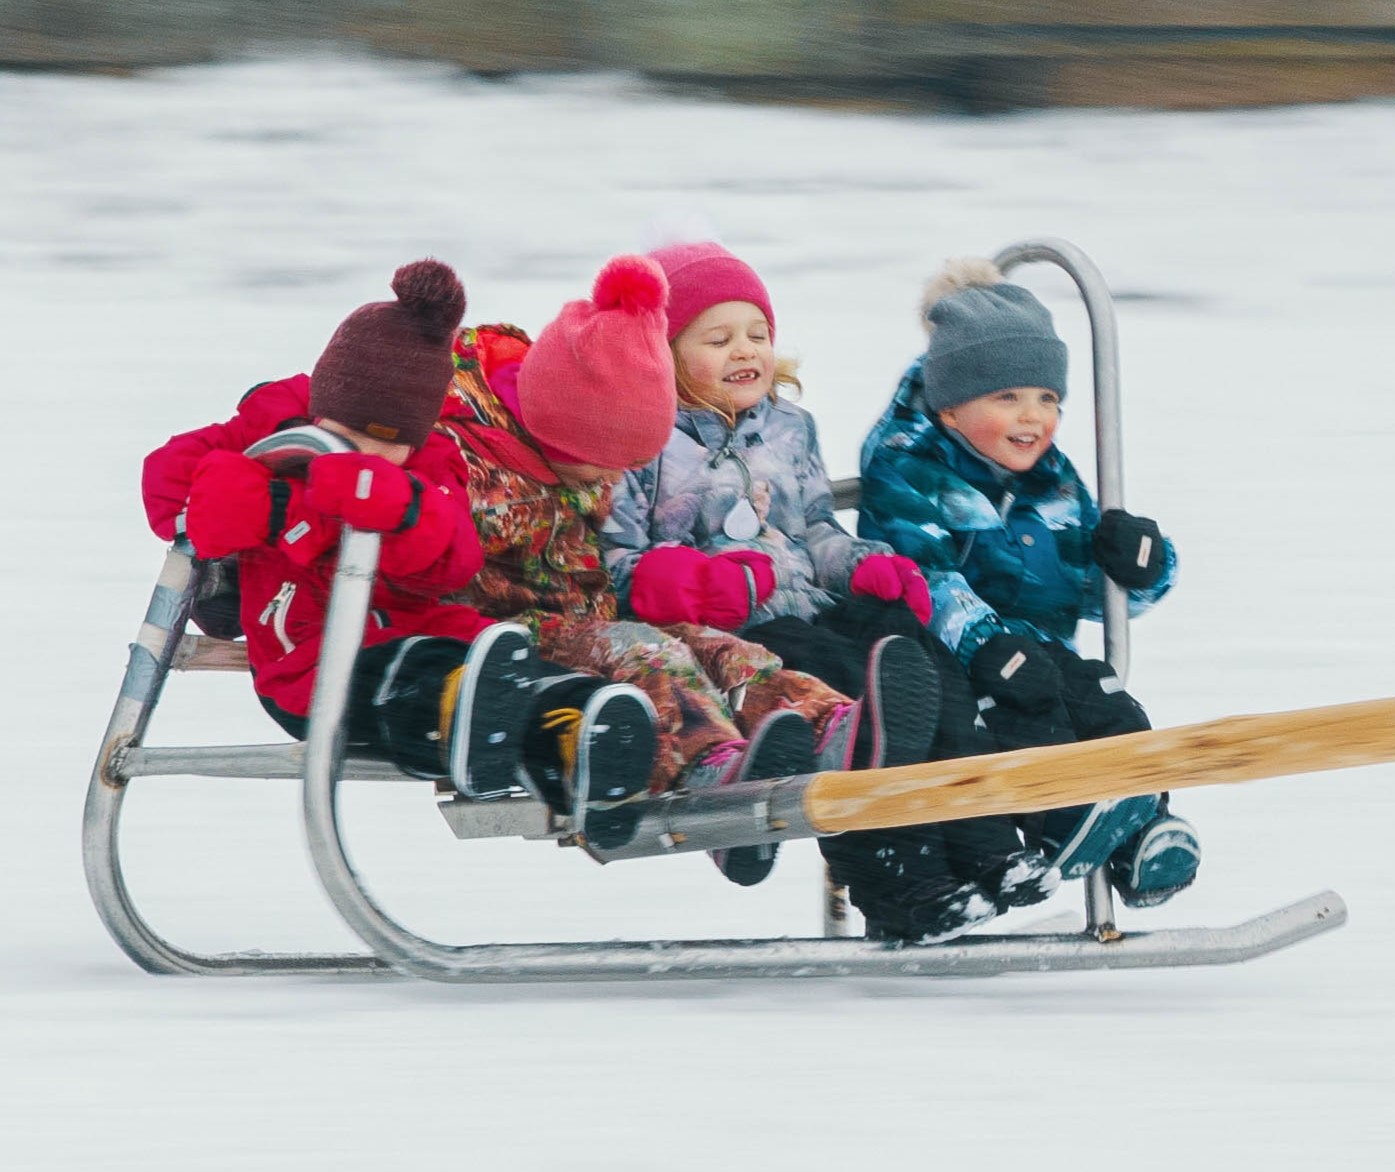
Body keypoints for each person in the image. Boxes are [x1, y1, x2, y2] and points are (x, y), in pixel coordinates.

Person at [603, 241, 1058, 944]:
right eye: (717, 339)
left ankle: (986, 847)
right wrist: (703, 582)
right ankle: (901, 884)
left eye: (757, 333)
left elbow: (813, 526)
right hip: (742, 633)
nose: (744, 350)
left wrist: (861, 563)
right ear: (664, 352)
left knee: (925, 667)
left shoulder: (788, 428)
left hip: (813, 603)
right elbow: (621, 565)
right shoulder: (643, 441)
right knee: (864, 700)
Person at [433, 253, 917, 886]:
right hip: (516, 634)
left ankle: (824, 725)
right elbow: (439, 555)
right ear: (560, 438)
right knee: (649, 653)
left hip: (590, 616)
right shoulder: (480, 474)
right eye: (603, 468)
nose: (611, 484)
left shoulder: (579, 449)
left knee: (721, 650)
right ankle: (718, 776)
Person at [140, 260, 658, 849]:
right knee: (415, 680)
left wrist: (398, 506)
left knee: (502, 668)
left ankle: (584, 737)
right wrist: (279, 499)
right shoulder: (266, 430)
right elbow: (167, 483)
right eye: (356, 432)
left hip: (419, 631)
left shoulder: (433, 464)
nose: (371, 452)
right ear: (323, 399)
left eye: (393, 443)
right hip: (312, 664)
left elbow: (455, 559)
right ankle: (472, 717)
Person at [856, 257, 1202, 909]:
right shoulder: (907, 466)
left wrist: (1143, 565)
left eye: (1047, 399)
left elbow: (1087, 586)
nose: (1032, 417)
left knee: (1109, 703)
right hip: (960, 662)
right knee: (1027, 711)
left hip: (1042, 648)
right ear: (952, 408)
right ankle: (1068, 822)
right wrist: (984, 643)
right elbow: (921, 572)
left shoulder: (1052, 476)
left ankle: (1139, 836)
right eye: (1007, 397)